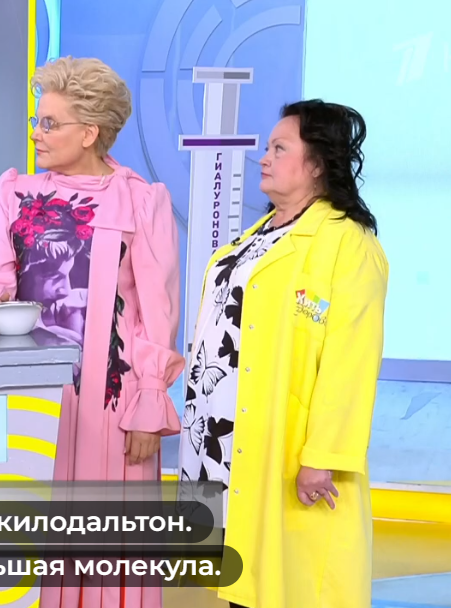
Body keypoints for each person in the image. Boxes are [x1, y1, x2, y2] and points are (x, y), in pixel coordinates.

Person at [0, 56, 185, 608]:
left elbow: (157, 312)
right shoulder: (14, 194)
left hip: (113, 406)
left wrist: (150, 404)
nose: (36, 133)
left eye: (49, 123)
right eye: (37, 121)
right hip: (31, 398)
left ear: (89, 132)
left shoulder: (141, 200)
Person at [176, 99, 388, 608]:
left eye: (279, 148)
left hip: (287, 448)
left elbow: (351, 361)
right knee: (241, 579)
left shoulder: (347, 244)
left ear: (317, 163)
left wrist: (324, 456)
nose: (264, 158)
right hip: (222, 442)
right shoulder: (259, 236)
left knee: (289, 583)